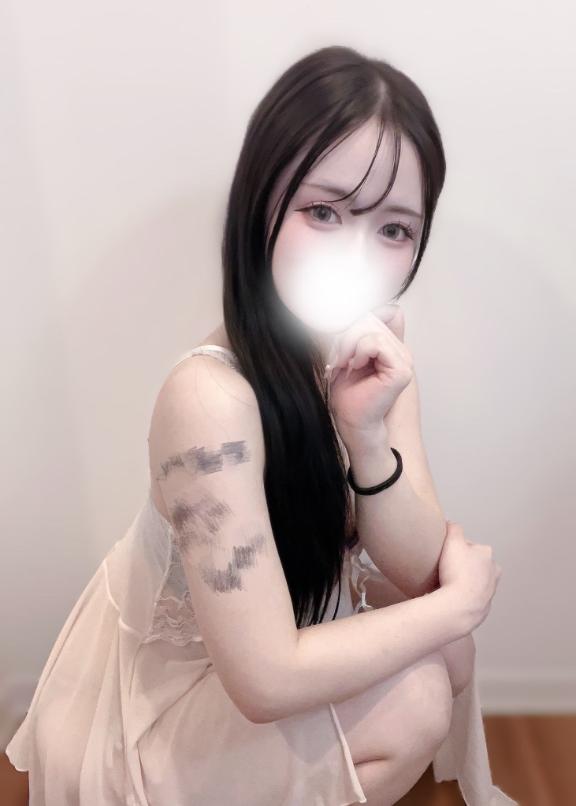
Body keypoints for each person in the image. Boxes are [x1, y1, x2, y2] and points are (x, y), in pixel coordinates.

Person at [6, 45, 518, 805]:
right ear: (262, 204)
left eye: (394, 230)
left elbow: (414, 570)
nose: (357, 254)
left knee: (450, 655)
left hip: (267, 646)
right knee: (420, 687)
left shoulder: (371, 352)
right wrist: (457, 606)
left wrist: (366, 434)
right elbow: (266, 680)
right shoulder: (207, 400)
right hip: (162, 705)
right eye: (324, 212)